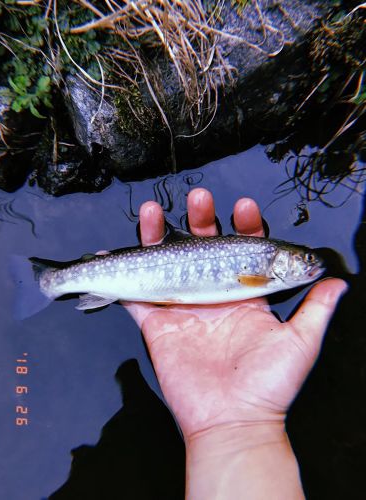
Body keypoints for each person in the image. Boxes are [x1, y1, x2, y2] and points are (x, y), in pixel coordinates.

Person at [123, 188, 347, 500]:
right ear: (281, 259)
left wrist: (239, 428)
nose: (312, 265)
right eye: (305, 260)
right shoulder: (264, 267)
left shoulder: (266, 264)